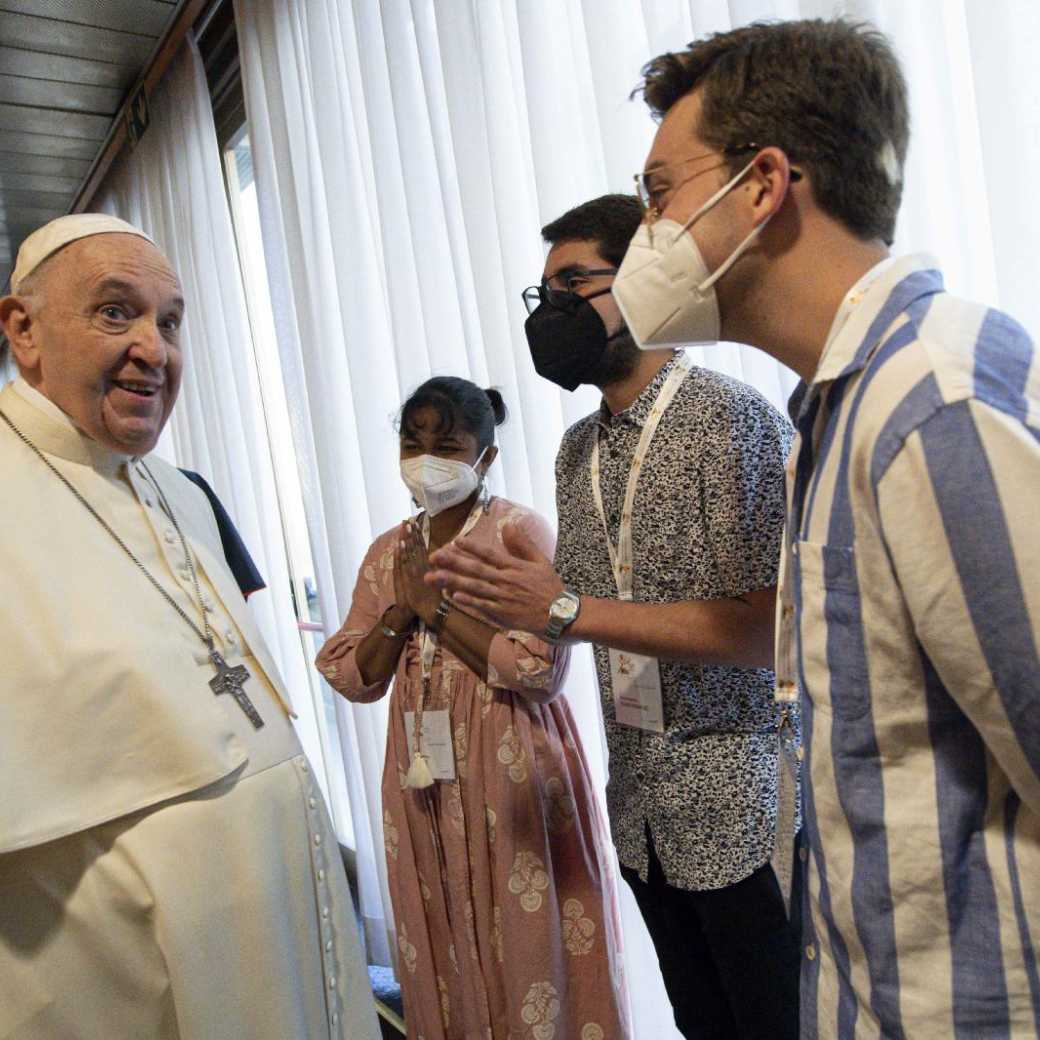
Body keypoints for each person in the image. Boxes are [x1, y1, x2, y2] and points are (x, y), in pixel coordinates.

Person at [606, 17, 1040, 1037]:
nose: (645, 234)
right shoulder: (838, 408)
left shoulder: (924, 402)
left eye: (658, 194)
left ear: (760, 184)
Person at [427, 197, 800, 1040]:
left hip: (737, 798)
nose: (554, 309)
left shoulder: (729, 419)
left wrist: (563, 606)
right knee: (703, 1022)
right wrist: (507, 604)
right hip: (641, 805)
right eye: (543, 292)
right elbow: (584, 616)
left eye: (574, 283)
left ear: (642, 281)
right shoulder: (575, 450)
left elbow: (768, 629)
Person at [0, 213, 380, 1040]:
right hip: (106, 981)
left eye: (170, 323)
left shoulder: (177, 489)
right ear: (22, 329)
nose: (154, 349)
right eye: (114, 312)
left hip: (277, 942)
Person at [316, 377, 629, 1040]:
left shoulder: (521, 534)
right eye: (413, 440)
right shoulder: (387, 553)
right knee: (440, 936)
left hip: (511, 765)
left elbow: (539, 669)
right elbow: (352, 674)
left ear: (484, 458)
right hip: (420, 779)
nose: (426, 456)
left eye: (448, 444)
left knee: (529, 942)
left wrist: (438, 609)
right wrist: (402, 610)